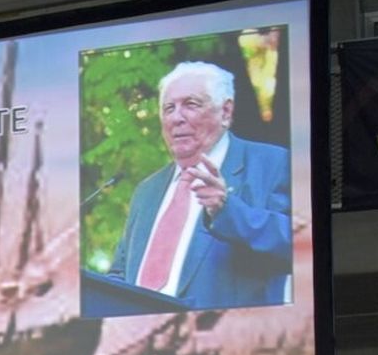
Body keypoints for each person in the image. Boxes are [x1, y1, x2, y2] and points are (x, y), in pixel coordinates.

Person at [107, 60, 292, 310]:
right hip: (142, 331)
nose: (176, 118)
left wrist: (228, 211)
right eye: (168, 108)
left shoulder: (273, 163)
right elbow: (120, 274)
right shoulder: (146, 191)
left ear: (225, 112)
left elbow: (299, 244)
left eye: (191, 104)